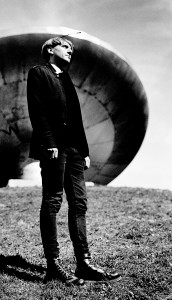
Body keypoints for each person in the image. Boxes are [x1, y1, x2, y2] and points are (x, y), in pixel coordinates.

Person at [27, 36, 120, 286]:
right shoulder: (39, 73)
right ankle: (53, 266)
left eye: (71, 49)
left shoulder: (66, 78)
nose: (70, 51)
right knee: (53, 201)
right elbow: (37, 111)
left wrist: (85, 150)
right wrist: (49, 143)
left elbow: (77, 119)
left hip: (74, 151)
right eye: (65, 47)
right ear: (50, 49)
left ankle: (84, 263)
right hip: (54, 148)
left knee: (79, 203)